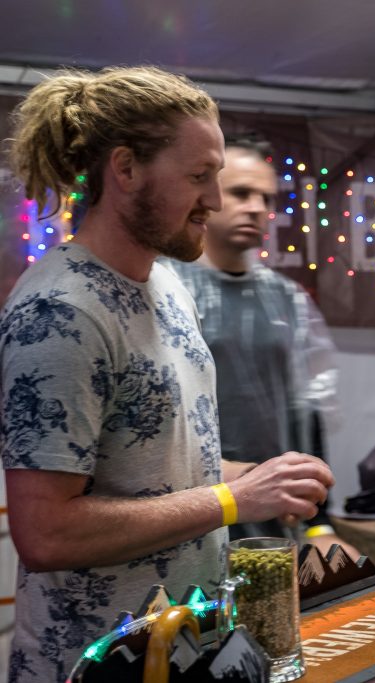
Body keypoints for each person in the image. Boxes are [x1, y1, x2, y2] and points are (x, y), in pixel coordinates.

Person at [1, 66, 334, 683]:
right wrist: (233, 499)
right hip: (95, 665)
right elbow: (46, 533)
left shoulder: (166, 284)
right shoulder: (60, 312)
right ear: (126, 169)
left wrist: (257, 478)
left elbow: (158, 469)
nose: (215, 199)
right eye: (199, 176)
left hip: (185, 652)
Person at [166, 135, 358, 558]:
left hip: (275, 519)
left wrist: (319, 524)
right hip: (190, 515)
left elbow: (306, 412)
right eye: (240, 193)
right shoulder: (165, 290)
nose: (256, 207)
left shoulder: (285, 299)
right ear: (207, 195)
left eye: (266, 198)